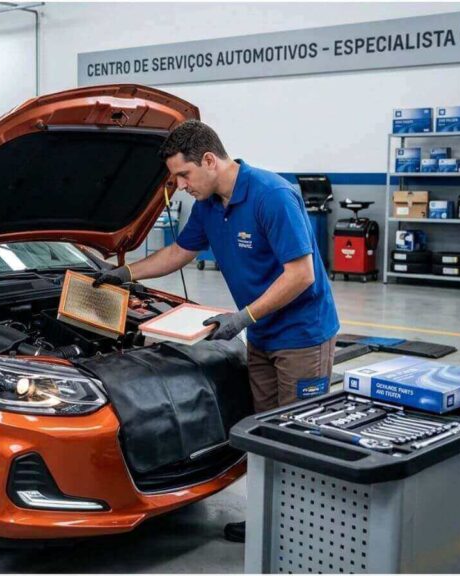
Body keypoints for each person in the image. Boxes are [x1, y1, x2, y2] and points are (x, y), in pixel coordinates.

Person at [95, 120, 339, 543]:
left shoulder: (272, 196)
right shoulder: (207, 206)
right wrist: (125, 273)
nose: (181, 186)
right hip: (262, 335)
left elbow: (301, 275)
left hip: (302, 334)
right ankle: (270, 520)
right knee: (264, 432)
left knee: (300, 434)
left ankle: (306, 529)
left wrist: (243, 318)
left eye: (184, 175)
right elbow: (178, 252)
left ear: (209, 160)